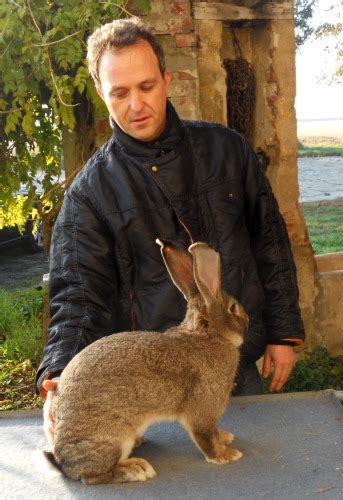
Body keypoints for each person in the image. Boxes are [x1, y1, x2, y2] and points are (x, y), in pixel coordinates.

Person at [37, 17, 305, 448]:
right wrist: (59, 372)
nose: (136, 105)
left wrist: (282, 332)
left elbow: (269, 242)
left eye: (146, 87)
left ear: (165, 80)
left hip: (239, 366)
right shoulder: (89, 193)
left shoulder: (226, 149)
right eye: (120, 93)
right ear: (102, 92)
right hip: (150, 394)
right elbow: (78, 295)